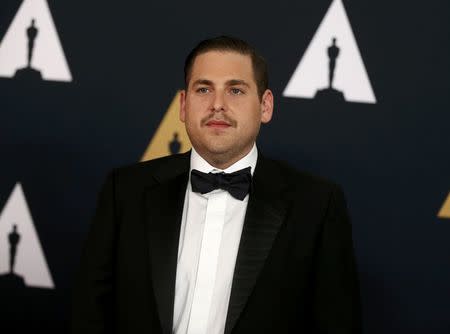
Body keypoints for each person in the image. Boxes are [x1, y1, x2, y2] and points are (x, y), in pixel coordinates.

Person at [71, 36, 362, 334]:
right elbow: (89, 316)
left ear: (265, 106)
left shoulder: (316, 205)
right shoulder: (125, 191)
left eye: (235, 90)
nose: (217, 105)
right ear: (183, 105)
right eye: (203, 89)